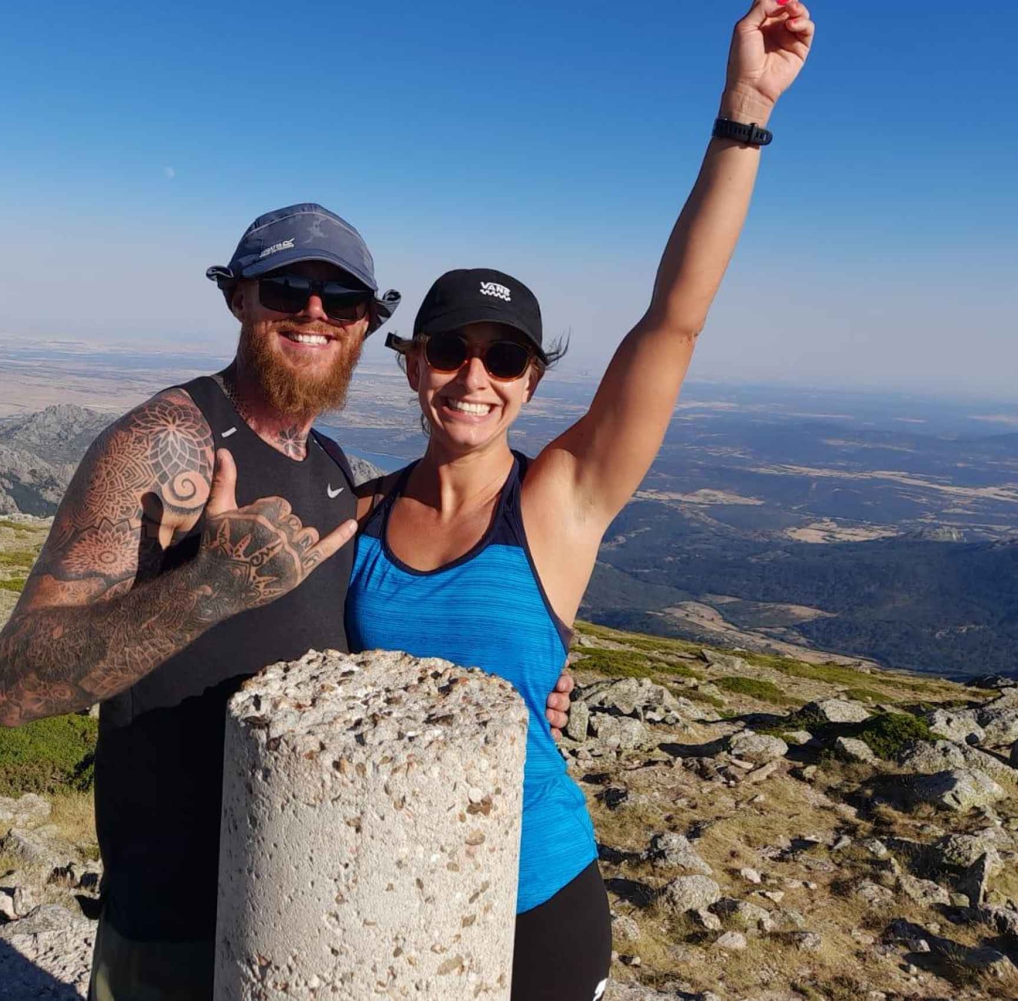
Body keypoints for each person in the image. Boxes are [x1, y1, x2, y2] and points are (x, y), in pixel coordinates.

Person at [0, 203, 576, 1000]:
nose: (315, 313)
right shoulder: (167, 444)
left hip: (310, 913)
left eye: (344, 300)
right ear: (239, 298)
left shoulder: (333, 471)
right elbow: (14, 684)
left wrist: (534, 675)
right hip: (175, 923)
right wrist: (203, 591)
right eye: (287, 289)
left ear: (367, 324)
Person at [345, 3, 815, 999]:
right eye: (450, 350)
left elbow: (674, 322)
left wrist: (745, 110)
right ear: (414, 365)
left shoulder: (560, 497)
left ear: (531, 381)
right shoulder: (360, 515)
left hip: (536, 892)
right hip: (383, 881)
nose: (475, 376)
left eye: (505, 358)